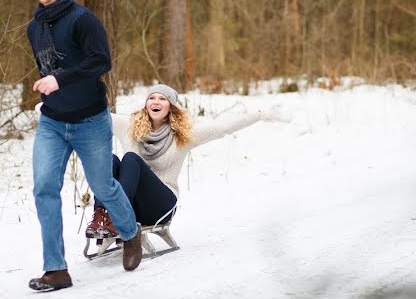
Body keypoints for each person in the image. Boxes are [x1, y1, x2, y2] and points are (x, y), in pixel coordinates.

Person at [27, 0, 142, 292]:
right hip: (51, 123)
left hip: (90, 120)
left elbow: (100, 61)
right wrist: (50, 90)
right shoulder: (33, 28)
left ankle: (130, 232)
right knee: (44, 188)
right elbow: (48, 66)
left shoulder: (83, 20)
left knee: (102, 185)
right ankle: (56, 269)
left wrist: (59, 80)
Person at [86, 84, 280, 237]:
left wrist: (260, 115)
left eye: (162, 98)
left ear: (171, 106)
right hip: (134, 203)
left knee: (131, 159)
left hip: (160, 205)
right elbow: (95, 115)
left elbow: (222, 127)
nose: (156, 101)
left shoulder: (182, 136)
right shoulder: (129, 126)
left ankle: (117, 214)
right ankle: (103, 215)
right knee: (110, 159)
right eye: (152, 98)